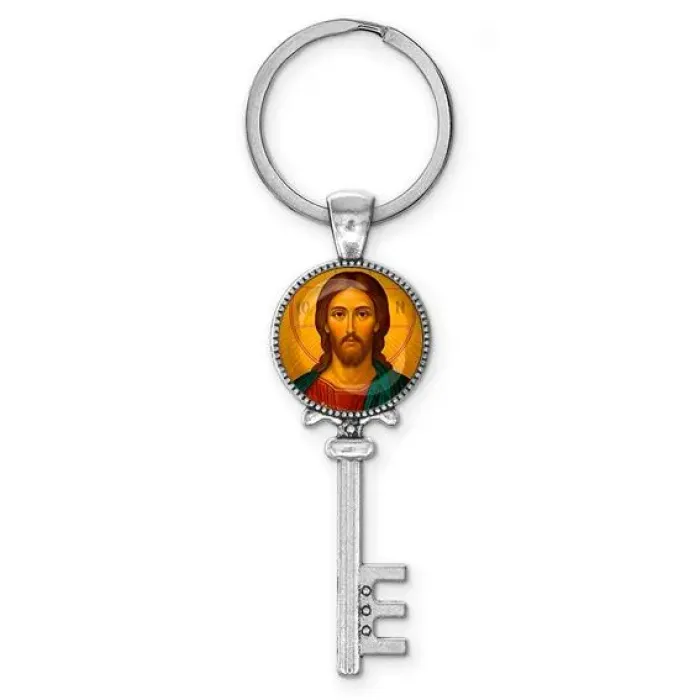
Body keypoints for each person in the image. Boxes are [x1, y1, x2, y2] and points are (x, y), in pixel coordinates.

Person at [293, 271, 410, 411]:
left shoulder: (398, 386)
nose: (350, 329)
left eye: (362, 314)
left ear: (377, 322)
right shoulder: (303, 388)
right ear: (325, 323)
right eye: (339, 314)